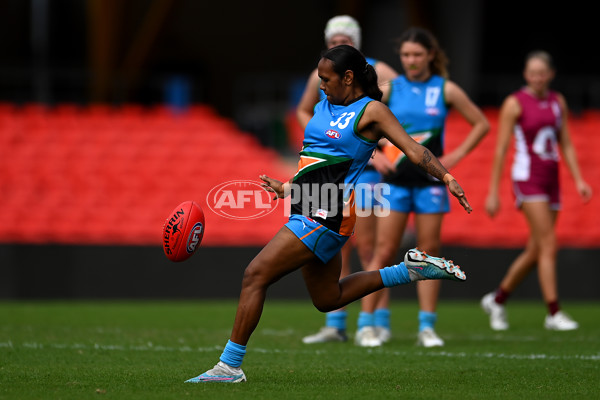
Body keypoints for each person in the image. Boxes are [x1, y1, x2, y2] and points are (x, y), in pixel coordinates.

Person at [185, 44, 471, 383]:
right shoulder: (324, 105)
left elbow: (413, 149)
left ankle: (229, 366)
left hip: (328, 212)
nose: (320, 85)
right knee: (327, 299)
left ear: (348, 78)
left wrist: (447, 177)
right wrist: (288, 187)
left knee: (254, 275)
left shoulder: (372, 111)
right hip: (306, 204)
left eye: (326, 78)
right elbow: (317, 158)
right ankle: (407, 271)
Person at [357, 27, 490, 348]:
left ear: (430, 55)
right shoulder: (389, 88)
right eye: (405, 55)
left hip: (430, 183)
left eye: (417, 54)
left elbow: (482, 124)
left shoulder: (444, 89)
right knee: (384, 251)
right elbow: (359, 121)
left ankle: (426, 328)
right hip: (395, 183)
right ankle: (367, 324)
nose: (411, 61)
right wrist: (375, 152)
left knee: (429, 254)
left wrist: (455, 155)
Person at [297, 15, 398, 344]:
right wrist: (323, 143)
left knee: (369, 248)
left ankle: (373, 321)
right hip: (331, 178)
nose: (338, 44)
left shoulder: (378, 71)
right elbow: (302, 111)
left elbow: (395, 114)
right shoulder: (324, 76)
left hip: (367, 176)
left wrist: (377, 145)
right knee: (333, 251)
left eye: (345, 38)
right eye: (333, 39)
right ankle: (336, 324)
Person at [481, 50, 592, 331]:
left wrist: (579, 179)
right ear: (525, 75)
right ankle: (554, 312)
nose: (537, 78)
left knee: (536, 249)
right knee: (548, 244)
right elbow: (501, 148)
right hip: (527, 178)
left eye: (542, 73)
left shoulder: (558, 102)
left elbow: (565, 141)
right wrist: (493, 191)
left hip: (551, 178)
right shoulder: (515, 103)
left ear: (551, 74)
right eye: (532, 73)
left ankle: (498, 299)